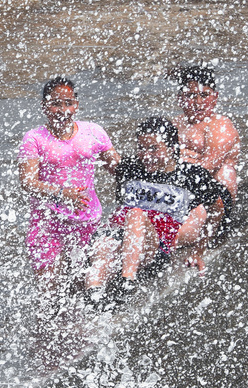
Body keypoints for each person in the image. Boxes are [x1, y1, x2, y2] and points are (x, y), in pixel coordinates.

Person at [91, 117, 231, 290]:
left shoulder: (189, 176)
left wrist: (199, 251)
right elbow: (104, 156)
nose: (146, 155)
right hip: (116, 240)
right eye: (141, 148)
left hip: (154, 247)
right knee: (101, 246)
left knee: (135, 213)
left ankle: (127, 281)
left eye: (154, 149)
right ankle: (93, 294)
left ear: (172, 148)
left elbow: (218, 208)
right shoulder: (130, 168)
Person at [17, 77, 118, 291]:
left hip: (86, 222)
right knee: (49, 290)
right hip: (47, 224)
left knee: (79, 286)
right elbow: (27, 182)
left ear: (76, 105)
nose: (63, 110)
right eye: (55, 104)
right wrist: (62, 193)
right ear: (45, 107)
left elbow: (116, 167)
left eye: (68, 103)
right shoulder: (34, 138)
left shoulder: (94, 132)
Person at [171, 64, 240, 197]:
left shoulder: (220, 125)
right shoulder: (175, 123)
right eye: (191, 95)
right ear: (180, 99)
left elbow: (209, 166)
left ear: (215, 98)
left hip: (213, 195)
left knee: (224, 171)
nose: (198, 102)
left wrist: (182, 159)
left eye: (204, 95)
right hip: (179, 188)